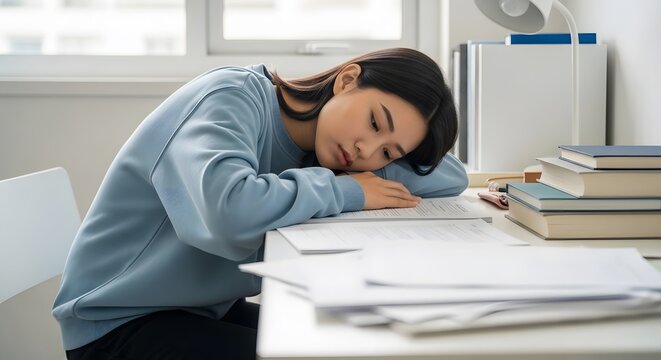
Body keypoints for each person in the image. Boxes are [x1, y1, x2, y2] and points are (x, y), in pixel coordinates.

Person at [53, 47, 468, 360]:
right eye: (375, 122)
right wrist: (349, 189)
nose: (366, 151)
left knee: (362, 343)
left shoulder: (324, 153)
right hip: (116, 323)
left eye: (388, 154)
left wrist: (395, 154)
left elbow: (450, 177)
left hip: (198, 310)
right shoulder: (231, 97)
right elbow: (229, 213)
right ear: (347, 80)